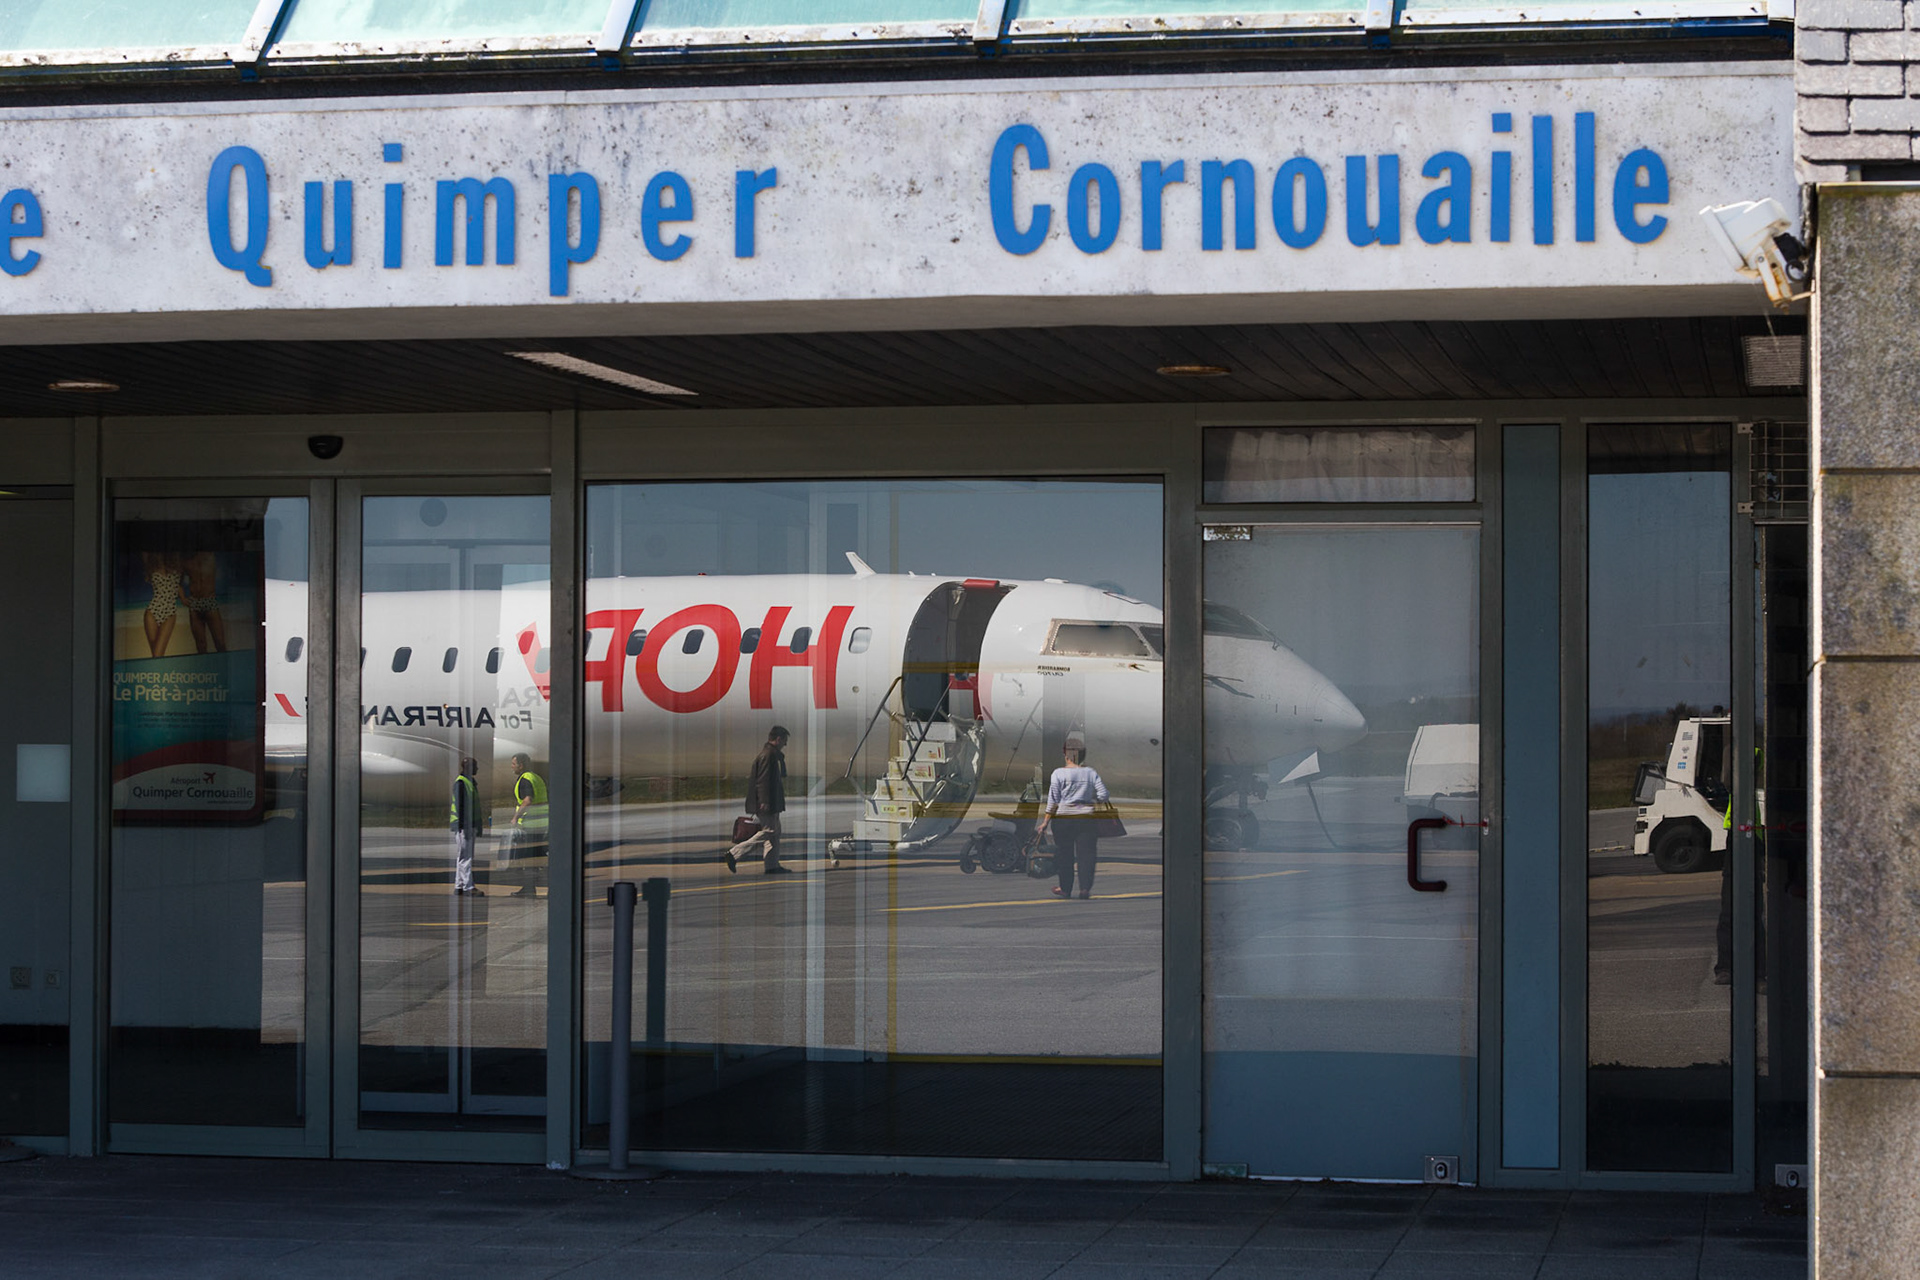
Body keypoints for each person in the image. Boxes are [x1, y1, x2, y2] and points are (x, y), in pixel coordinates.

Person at [1036, 739, 1110, 900]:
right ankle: (1085, 888)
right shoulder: (1091, 773)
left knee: (1064, 854)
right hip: (1086, 818)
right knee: (1087, 855)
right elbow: (1104, 794)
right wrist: (1094, 799)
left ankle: (1065, 888)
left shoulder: (1058, 773)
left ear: (1065, 754)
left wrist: (1045, 822)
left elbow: (1053, 800)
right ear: (1083, 755)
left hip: (1063, 819)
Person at [727, 725, 792, 875]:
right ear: (778, 739)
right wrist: (764, 801)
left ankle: (772, 866)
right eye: (785, 741)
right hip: (767, 802)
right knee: (770, 831)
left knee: (775, 833)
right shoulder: (768, 756)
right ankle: (734, 853)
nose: (785, 745)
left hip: (772, 802)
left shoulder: (772, 755)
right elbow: (762, 781)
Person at [508, 752, 548, 898]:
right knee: (539, 858)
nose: (512, 767)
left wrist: (515, 817)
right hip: (543, 822)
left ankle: (530, 889)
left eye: (513, 764)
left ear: (521, 765)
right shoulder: (536, 777)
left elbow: (527, 800)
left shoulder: (525, 780)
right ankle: (533, 887)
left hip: (532, 825)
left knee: (529, 859)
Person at [181, 550, 228, 654]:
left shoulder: (210, 555)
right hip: (195, 603)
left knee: (220, 642)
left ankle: (223, 667)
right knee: (200, 644)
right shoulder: (186, 560)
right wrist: (183, 598)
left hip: (209, 601)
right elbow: (177, 581)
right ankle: (206, 668)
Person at [140, 551, 183, 658]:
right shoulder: (151, 564)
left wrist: (184, 599)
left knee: (157, 654)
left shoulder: (176, 562)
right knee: (157, 655)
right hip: (152, 612)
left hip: (170, 613)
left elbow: (177, 586)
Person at [450, 755, 482, 895]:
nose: (477, 768)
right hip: (464, 825)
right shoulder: (461, 783)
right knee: (466, 857)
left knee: (462, 856)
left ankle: (459, 885)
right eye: (475, 766)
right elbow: (461, 806)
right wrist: (465, 826)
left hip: (467, 824)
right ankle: (469, 887)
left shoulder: (469, 782)